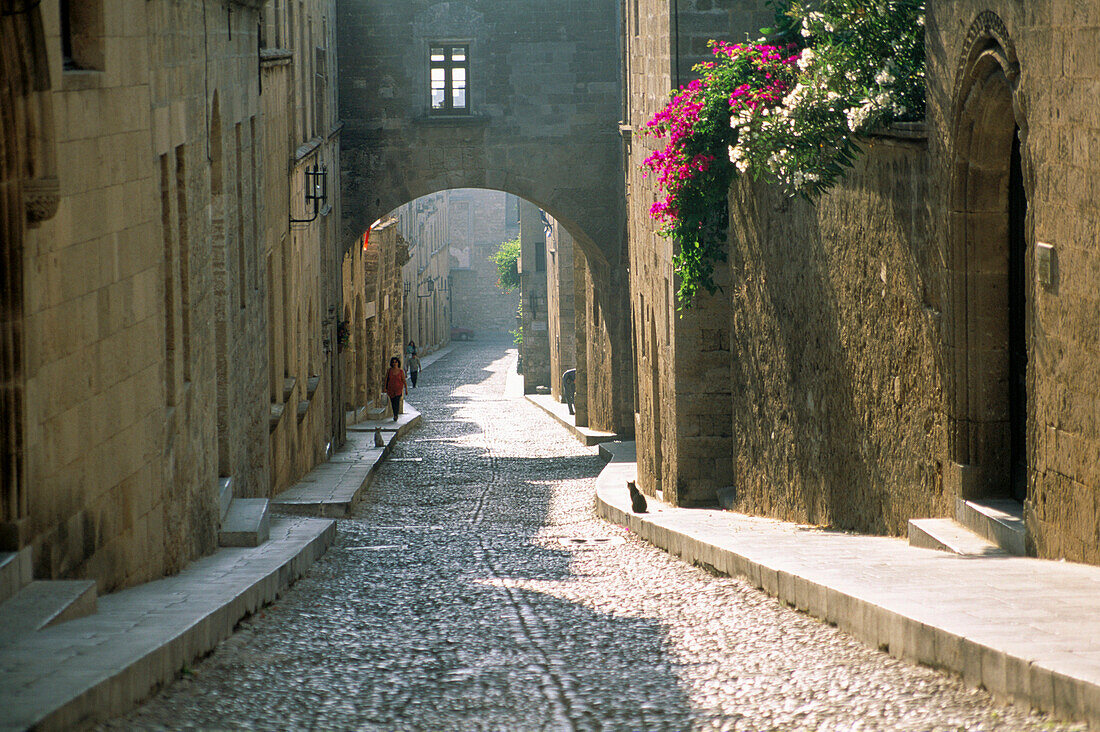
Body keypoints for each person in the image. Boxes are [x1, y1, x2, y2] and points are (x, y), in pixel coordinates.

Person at [385, 357, 407, 422]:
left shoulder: (400, 371)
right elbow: (386, 380)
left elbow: (403, 380)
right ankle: (395, 413)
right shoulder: (389, 371)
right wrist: (385, 388)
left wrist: (406, 389)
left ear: (398, 363)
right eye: (393, 362)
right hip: (391, 389)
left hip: (398, 390)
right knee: (393, 402)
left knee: (397, 402)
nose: (394, 363)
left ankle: (395, 415)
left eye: (396, 362)